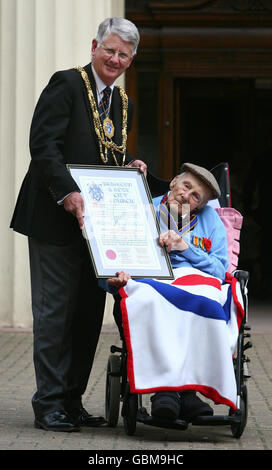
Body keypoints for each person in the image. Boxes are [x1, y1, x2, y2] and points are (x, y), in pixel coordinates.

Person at [10, 17, 146, 432]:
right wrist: (68, 193)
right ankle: (47, 404)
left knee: (88, 316)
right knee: (55, 315)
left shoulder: (123, 103)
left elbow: (107, 159)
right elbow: (43, 145)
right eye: (110, 50)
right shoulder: (66, 83)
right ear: (94, 46)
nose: (115, 59)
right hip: (54, 219)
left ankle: (72, 402)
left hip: (96, 230)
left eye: (124, 54)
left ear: (131, 59)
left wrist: (132, 169)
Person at [106, 163, 230, 422]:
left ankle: (187, 392)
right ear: (173, 182)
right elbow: (115, 255)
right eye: (186, 186)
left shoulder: (211, 220)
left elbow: (220, 270)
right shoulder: (141, 208)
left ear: (200, 206)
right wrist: (120, 274)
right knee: (152, 300)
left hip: (196, 282)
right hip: (152, 279)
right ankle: (165, 391)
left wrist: (186, 247)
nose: (186, 195)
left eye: (196, 195)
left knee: (206, 303)